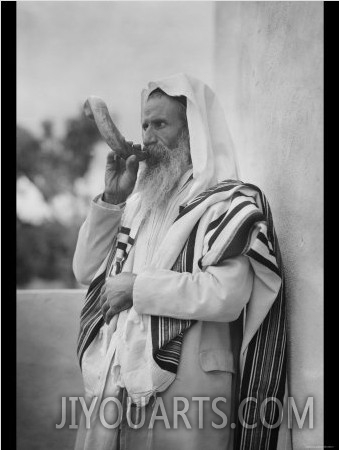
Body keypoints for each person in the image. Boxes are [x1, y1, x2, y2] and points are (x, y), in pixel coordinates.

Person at [73, 73, 287, 450]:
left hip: (189, 387)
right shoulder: (136, 203)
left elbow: (227, 295)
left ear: (193, 133)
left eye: (160, 124)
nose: (148, 136)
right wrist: (111, 199)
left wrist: (137, 289)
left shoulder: (226, 203)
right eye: (144, 124)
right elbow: (85, 271)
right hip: (122, 383)